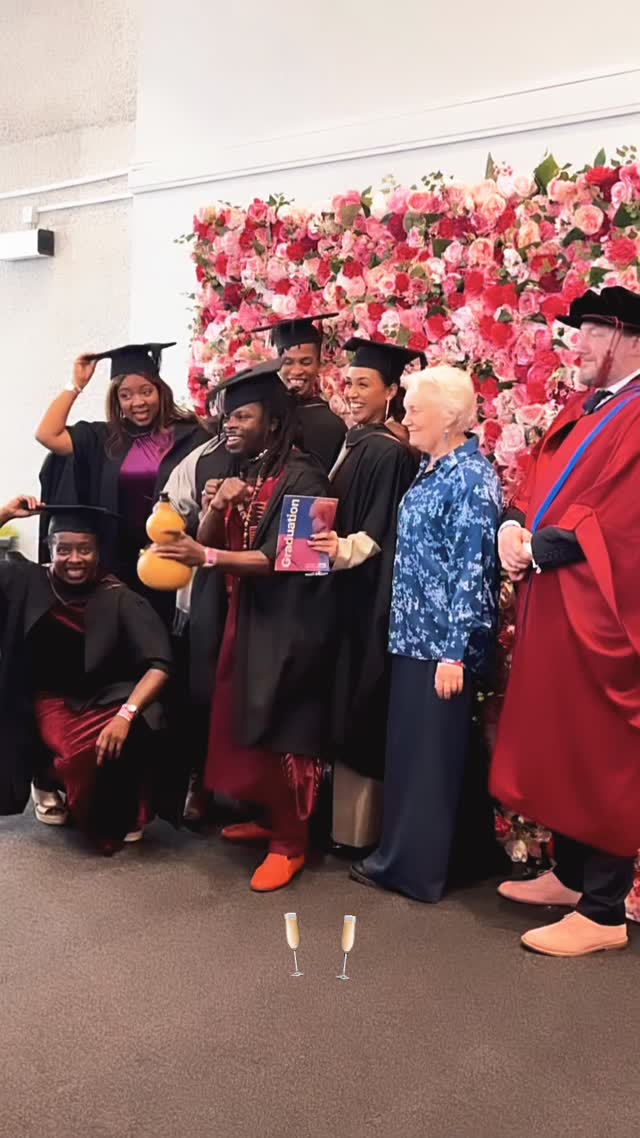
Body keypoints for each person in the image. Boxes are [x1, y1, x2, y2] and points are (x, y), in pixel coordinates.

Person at [491, 285, 640, 957]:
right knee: (563, 740)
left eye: (590, 332)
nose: (575, 343)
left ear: (628, 339)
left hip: (604, 612)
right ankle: (575, 878)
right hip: (555, 599)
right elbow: (535, 481)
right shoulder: (585, 406)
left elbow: (625, 519)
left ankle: (605, 911)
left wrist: (538, 549)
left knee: (605, 751)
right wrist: (513, 527)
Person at [152, 359, 336, 891]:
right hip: (245, 616)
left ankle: (291, 843)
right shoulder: (242, 471)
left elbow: (297, 560)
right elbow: (203, 541)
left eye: (241, 417)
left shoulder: (306, 475)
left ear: (273, 422)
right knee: (246, 720)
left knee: (285, 730)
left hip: (293, 625)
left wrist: (207, 556)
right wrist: (216, 507)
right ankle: (267, 817)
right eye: (226, 417)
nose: (228, 426)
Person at [346, 367, 501, 900]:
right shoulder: (433, 469)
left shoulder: (470, 480)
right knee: (417, 754)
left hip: (440, 646)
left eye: (415, 408)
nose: (404, 415)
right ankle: (454, 858)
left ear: (451, 416)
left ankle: (411, 869)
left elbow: (472, 570)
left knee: (426, 760)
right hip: (415, 638)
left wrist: (455, 653)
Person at [0, 497, 172, 856]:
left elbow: (160, 664)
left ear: (98, 552)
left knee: (136, 729)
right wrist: (4, 514)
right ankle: (51, 778)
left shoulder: (118, 596)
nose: (74, 559)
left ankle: (126, 812)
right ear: (50, 548)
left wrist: (126, 714)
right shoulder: (26, 580)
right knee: (81, 755)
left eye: (84, 550)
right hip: (53, 699)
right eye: (64, 549)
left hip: (109, 695)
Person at [308, 337, 421, 851]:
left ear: (391, 391)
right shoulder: (357, 440)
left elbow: (379, 531)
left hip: (363, 595)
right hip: (344, 593)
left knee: (358, 703)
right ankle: (339, 829)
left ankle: (356, 835)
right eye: (348, 382)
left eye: (363, 384)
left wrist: (337, 550)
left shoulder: (384, 449)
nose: (351, 392)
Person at [35, 342, 210, 595]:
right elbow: (46, 434)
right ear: (117, 401)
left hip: (173, 561)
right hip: (116, 566)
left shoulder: (193, 436)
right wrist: (76, 384)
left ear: (161, 391)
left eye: (145, 391)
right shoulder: (104, 438)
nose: (137, 402)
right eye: (125, 395)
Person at [256, 314, 347, 471]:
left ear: (319, 364)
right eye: (287, 362)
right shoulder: (263, 417)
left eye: (306, 362)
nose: (297, 371)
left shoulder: (331, 426)